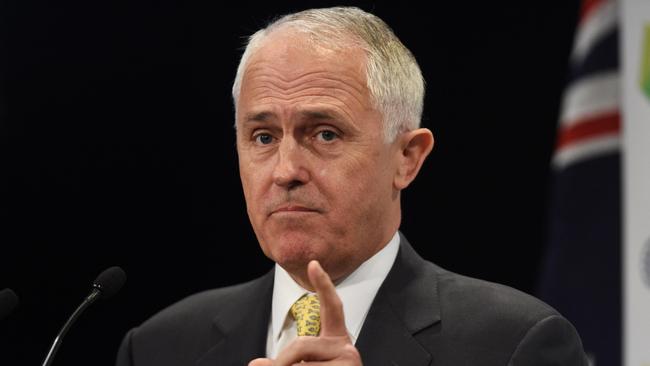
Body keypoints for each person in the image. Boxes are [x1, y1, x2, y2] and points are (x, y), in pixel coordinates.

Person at [116, 7, 587, 366]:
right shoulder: (160, 347)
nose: (285, 171)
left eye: (324, 134)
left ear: (407, 158)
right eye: (263, 136)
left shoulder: (513, 344)